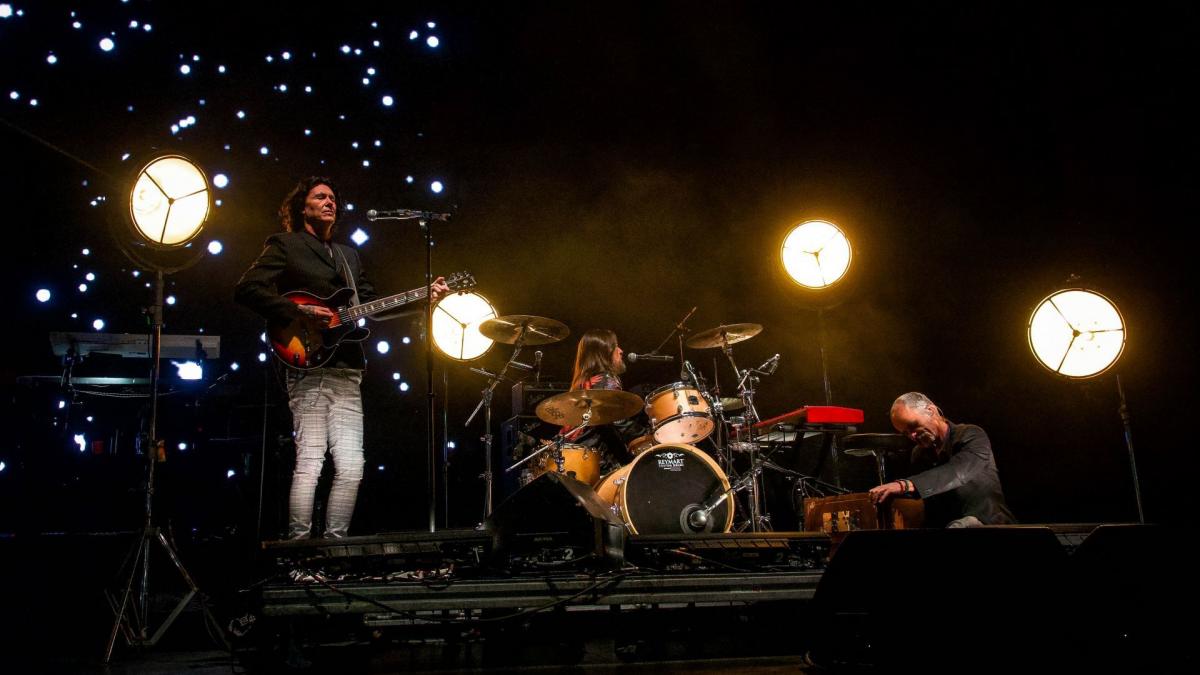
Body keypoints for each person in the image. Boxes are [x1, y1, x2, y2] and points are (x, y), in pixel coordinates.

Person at [235, 176, 448, 539]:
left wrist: (423, 297)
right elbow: (247, 289)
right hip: (307, 362)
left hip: (347, 366)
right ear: (303, 206)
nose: (330, 202)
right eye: (321, 197)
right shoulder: (285, 244)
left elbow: (372, 309)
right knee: (311, 462)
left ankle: (334, 547)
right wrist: (298, 313)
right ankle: (298, 549)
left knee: (351, 466)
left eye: (333, 197)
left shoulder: (349, 255)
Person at [868, 391, 1015, 527]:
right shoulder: (919, 454)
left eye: (913, 426)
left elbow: (957, 472)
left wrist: (904, 485)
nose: (912, 436)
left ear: (931, 411)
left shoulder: (971, 435)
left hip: (991, 525)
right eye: (906, 433)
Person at [559, 329, 648, 474]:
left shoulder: (583, 382)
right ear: (604, 353)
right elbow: (618, 421)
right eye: (615, 347)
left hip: (573, 458)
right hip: (598, 464)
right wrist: (649, 437)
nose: (621, 351)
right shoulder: (606, 380)